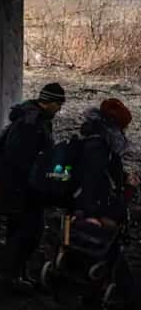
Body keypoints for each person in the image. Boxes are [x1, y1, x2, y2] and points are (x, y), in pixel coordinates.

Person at [0, 83, 65, 288]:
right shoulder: (31, 123)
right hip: (24, 188)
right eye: (58, 104)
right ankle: (12, 276)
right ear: (50, 103)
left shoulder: (36, 119)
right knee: (28, 232)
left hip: (21, 186)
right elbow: (23, 158)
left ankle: (16, 273)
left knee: (19, 231)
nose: (60, 109)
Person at [77, 98, 138, 309]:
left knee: (107, 252)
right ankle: (122, 295)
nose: (124, 133)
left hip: (96, 205)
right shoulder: (99, 148)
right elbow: (92, 180)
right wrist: (92, 212)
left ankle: (122, 292)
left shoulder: (99, 142)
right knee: (106, 249)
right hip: (99, 208)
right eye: (123, 128)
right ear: (114, 127)